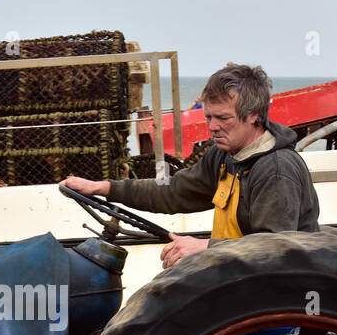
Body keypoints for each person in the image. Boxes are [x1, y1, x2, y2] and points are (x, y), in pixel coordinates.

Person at [62, 63, 320, 268]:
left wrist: (205, 248)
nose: (213, 126)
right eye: (209, 117)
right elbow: (172, 191)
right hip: (238, 277)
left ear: (253, 115)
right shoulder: (224, 156)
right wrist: (103, 188)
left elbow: (274, 252)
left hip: (274, 296)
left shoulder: (275, 170)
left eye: (223, 118)